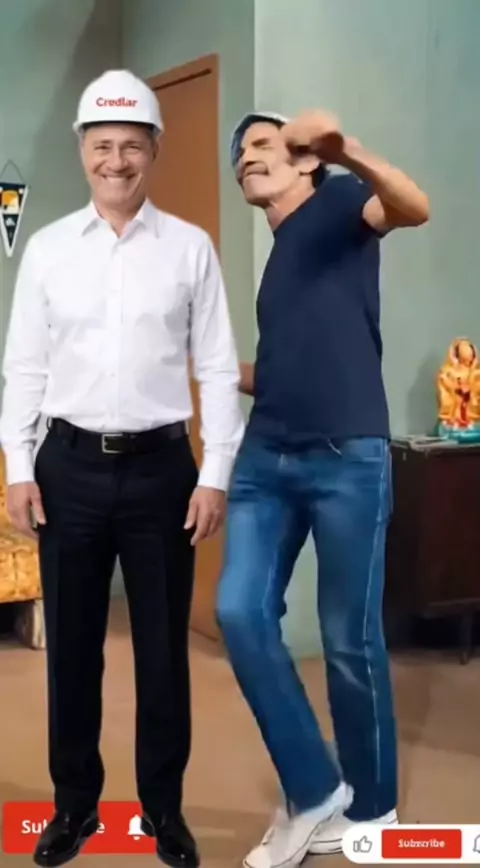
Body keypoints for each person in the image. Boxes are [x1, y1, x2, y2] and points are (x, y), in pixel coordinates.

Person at [0, 69, 244, 868]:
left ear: (154, 150)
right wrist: (18, 466)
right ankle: (73, 808)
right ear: (82, 149)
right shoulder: (46, 251)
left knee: (163, 653)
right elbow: (23, 368)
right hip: (66, 469)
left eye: (131, 146)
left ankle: (162, 811)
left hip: (161, 473)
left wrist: (215, 474)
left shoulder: (189, 249)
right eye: (103, 145)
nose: (117, 161)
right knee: (73, 651)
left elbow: (217, 366)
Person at [216, 109, 430, 868]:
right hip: (267, 456)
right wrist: (206, 368)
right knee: (239, 610)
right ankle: (314, 789)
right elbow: (283, 369)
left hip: (347, 457)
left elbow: (413, 206)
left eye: (263, 144)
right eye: (240, 152)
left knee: (347, 637)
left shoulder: (341, 201)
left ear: (306, 161)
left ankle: (374, 810)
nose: (247, 157)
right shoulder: (280, 259)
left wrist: (350, 150)